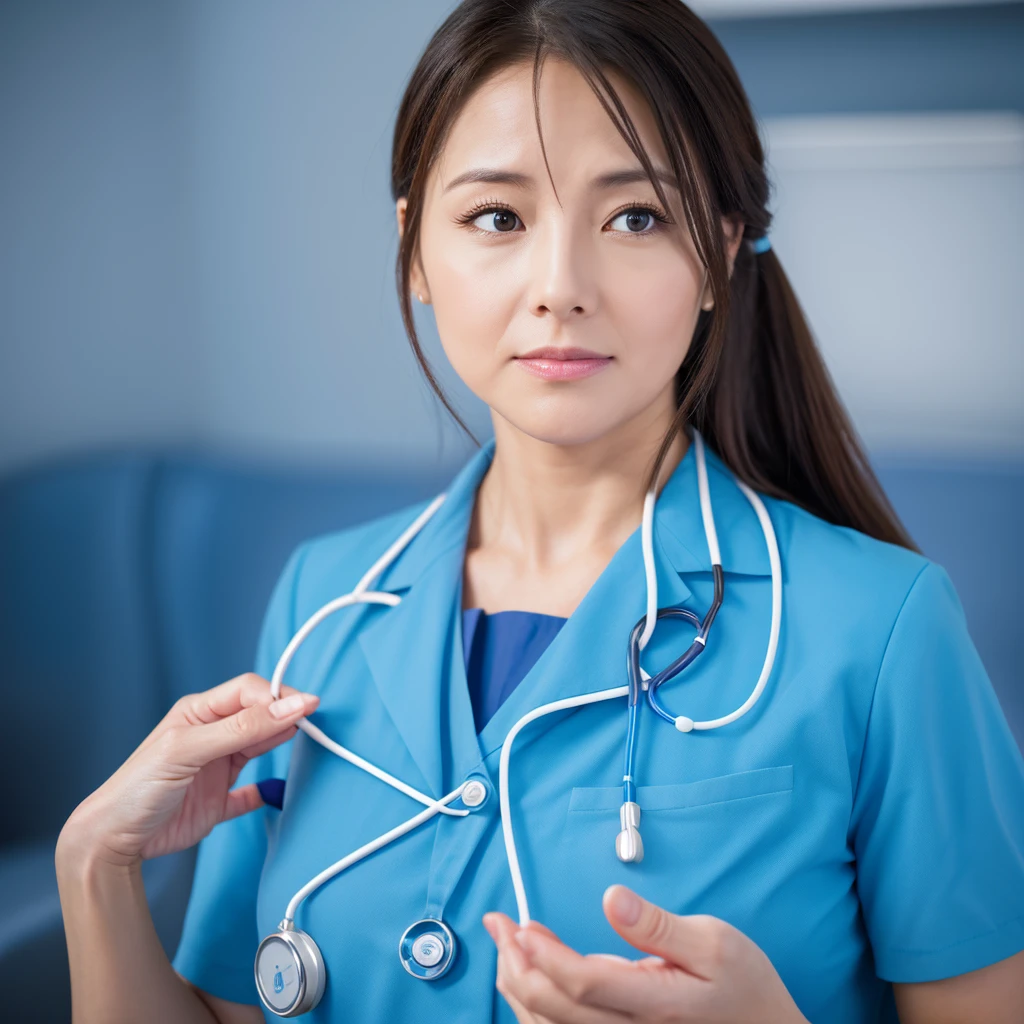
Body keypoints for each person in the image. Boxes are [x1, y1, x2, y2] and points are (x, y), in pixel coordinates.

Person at [56, 1, 1024, 1021]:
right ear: (415, 249)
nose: (560, 287)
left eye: (636, 217)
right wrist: (94, 870)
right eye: (497, 217)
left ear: (723, 250)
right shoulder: (322, 599)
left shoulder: (882, 629)